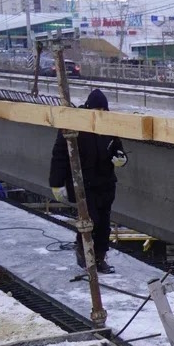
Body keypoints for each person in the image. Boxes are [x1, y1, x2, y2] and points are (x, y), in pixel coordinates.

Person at [49, 88, 126, 274]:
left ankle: (100, 257)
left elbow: (118, 148)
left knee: (104, 223)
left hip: (106, 183)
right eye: (97, 110)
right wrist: (56, 183)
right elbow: (60, 155)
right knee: (91, 220)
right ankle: (84, 253)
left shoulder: (109, 126)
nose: (100, 114)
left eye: (103, 111)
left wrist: (121, 159)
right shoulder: (75, 125)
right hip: (84, 183)